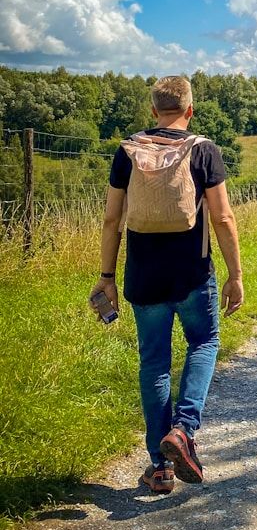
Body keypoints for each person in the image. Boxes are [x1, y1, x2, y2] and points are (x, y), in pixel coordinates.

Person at [90, 75, 244, 494]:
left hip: (143, 276)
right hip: (193, 274)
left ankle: (158, 467)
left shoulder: (127, 151)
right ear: (190, 110)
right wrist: (235, 274)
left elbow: (110, 220)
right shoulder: (203, 150)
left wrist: (107, 276)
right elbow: (223, 217)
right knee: (205, 342)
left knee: (154, 363)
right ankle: (184, 430)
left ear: (154, 111)